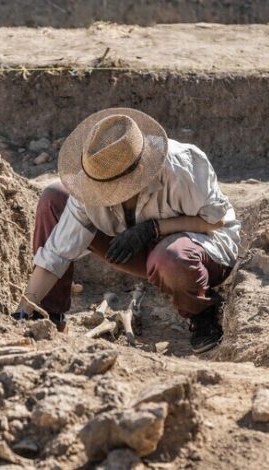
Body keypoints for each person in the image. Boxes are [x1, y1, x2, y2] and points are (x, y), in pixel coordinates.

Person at [13, 108, 240, 353]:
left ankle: (202, 312)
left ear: (140, 171)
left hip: (203, 248)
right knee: (55, 197)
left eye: (115, 188)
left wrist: (153, 229)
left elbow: (214, 221)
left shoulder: (183, 166)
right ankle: (48, 318)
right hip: (138, 248)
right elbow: (56, 252)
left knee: (171, 258)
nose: (105, 196)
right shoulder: (92, 181)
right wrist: (25, 308)